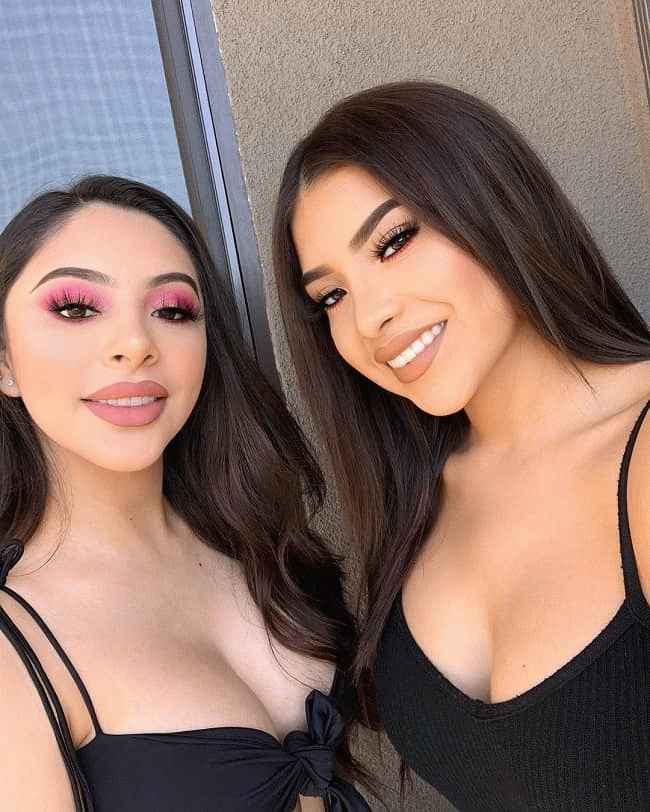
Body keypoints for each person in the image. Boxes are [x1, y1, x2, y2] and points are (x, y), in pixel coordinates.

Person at [272, 80, 650, 810]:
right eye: (331, 296)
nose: (370, 318)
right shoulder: (417, 498)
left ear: (492, 204)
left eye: (393, 242)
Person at [0, 175, 371, 812]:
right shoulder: (15, 643)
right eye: (77, 308)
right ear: (4, 362)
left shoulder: (262, 551)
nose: (135, 345)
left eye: (172, 310)